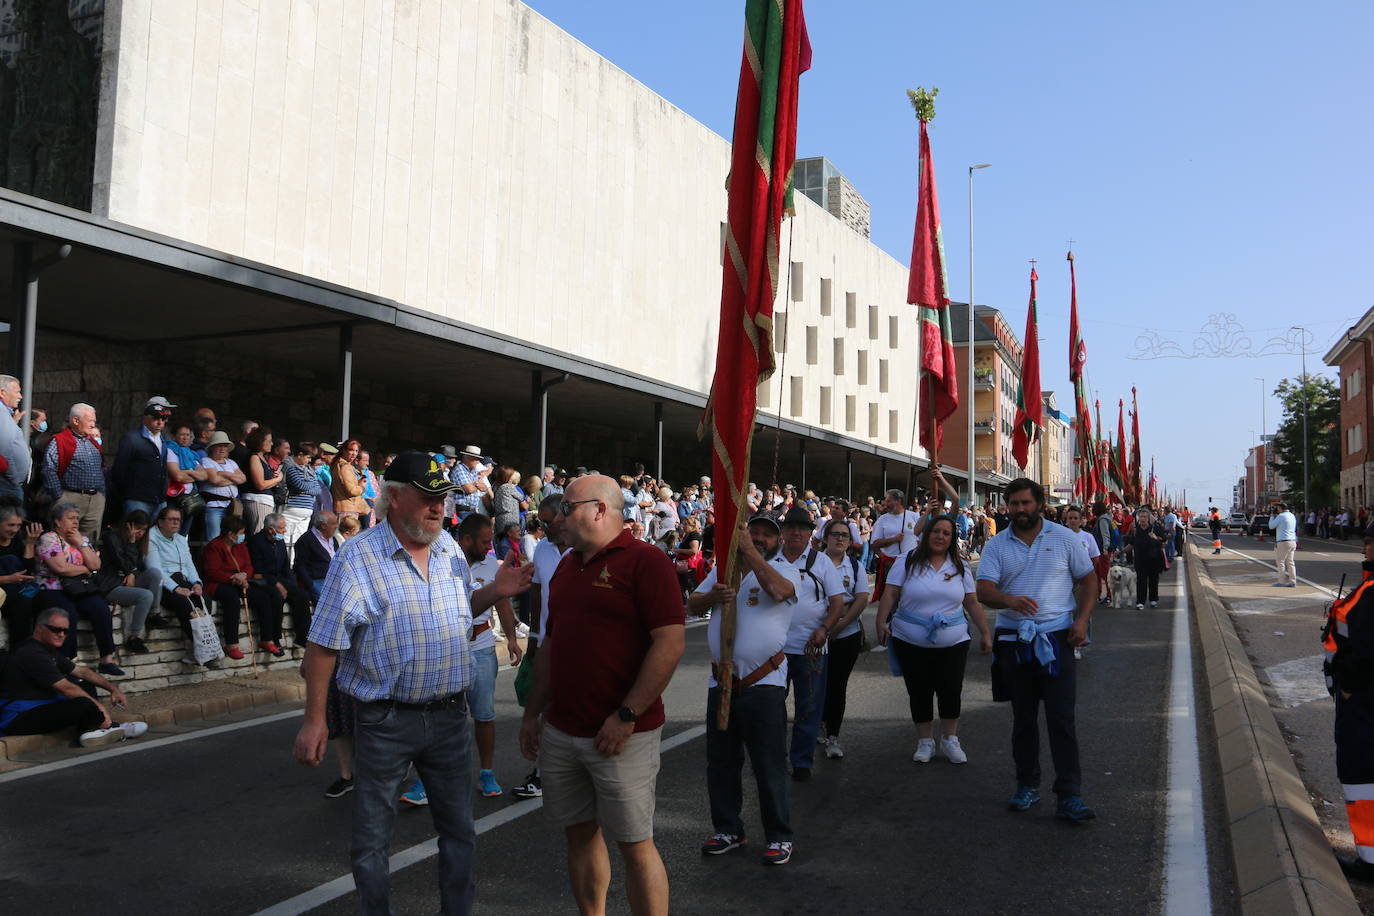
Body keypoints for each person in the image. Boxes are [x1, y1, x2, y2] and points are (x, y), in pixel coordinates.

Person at [293, 451, 532, 915]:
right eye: (427, 498)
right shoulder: (359, 557)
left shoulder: (447, 549)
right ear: (395, 498)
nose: (438, 507)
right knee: (372, 840)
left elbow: (460, 607)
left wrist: (496, 593)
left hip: (448, 717)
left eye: (441, 498)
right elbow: (323, 646)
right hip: (384, 720)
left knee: (460, 832)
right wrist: (314, 721)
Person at [518, 475, 684, 916]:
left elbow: (669, 643)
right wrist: (533, 713)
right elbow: (552, 644)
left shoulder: (646, 561)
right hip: (563, 729)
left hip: (622, 734)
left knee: (635, 844)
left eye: (567, 507)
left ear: (599, 510)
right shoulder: (567, 566)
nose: (556, 517)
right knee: (579, 833)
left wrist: (627, 714)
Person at [975, 478, 1097, 822]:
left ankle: (1069, 795)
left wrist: (1082, 621)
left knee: (1061, 719)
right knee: (1023, 719)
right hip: (1014, 641)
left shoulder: (1065, 539)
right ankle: (1027, 785)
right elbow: (983, 590)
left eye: (1025, 503)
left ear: (1040, 503)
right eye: (1013, 504)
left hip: (1056, 640)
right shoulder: (997, 545)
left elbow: (1088, 580)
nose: (1019, 510)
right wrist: (1009, 600)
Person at [687, 512, 799, 865]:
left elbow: (781, 592)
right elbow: (692, 603)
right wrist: (714, 595)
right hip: (721, 681)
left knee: (768, 764)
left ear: (777, 542)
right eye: (754, 533)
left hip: (763, 684)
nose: (761, 538)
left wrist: (750, 552)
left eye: (767, 535)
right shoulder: (725, 569)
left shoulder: (785, 570)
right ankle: (728, 829)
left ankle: (779, 835)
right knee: (721, 762)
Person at [877, 515, 991, 764]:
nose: (940, 536)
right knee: (919, 691)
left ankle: (950, 739)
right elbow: (891, 593)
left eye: (946, 533)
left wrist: (985, 632)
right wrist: (880, 621)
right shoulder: (906, 561)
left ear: (952, 538)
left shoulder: (959, 565)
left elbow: (971, 601)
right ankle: (925, 741)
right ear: (926, 534)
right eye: (936, 531)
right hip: (910, 640)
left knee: (951, 690)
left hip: (954, 640)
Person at [0, 608, 148, 747]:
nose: (62, 635)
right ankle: (104, 727)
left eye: (65, 631)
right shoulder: (31, 653)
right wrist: (100, 710)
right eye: (56, 629)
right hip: (18, 717)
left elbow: (82, 672)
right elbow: (66, 688)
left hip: (40, 706)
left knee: (86, 685)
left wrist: (113, 689)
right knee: (82, 703)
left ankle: (92, 731)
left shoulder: (48, 650)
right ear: (39, 628)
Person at [455, 513, 523, 798]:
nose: (488, 547)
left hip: (482, 647)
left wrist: (511, 639)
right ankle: (429, 779)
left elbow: (502, 603)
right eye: (484, 542)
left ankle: (486, 772)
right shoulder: (445, 561)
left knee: (483, 715)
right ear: (466, 540)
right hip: (452, 650)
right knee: (445, 719)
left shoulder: (492, 566)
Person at [775, 506, 846, 780]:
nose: (796, 532)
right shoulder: (771, 559)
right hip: (774, 648)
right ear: (783, 531)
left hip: (811, 648)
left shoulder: (821, 561)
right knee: (772, 708)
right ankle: (774, 758)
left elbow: (838, 602)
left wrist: (825, 629)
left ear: (810, 533)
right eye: (791, 527)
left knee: (809, 707)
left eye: (802, 528)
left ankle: (802, 761)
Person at [1322, 525, 1374, 883]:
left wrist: (1350, 686)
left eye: (1368, 542)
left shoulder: (1370, 594)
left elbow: (1366, 649)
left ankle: (1370, 861)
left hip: (1364, 703)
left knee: (1362, 777)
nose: (1363, 547)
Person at [511, 494, 570, 801]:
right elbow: (536, 596)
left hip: (577, 648)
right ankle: (542, 772)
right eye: (542, 523)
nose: (545, 529)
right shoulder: (544, 551)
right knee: (545, 708)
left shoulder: (585, 549)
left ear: (566, 515)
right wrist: (533, 638)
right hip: (547, 644)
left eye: (549, 521)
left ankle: (564, 770)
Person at [35, 501, 121, 675]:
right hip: (52, 588)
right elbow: (60, 568)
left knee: (100, 608)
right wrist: (86, 569)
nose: (75, 522)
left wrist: (80, 544)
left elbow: (96, 564)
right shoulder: (49, 538)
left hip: (78, 588)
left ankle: (107, 659)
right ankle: (67, 664)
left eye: (77, 518)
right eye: (70, 518)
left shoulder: (81, 539)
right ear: (58, 521)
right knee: (68, 614)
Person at [818, 517, 870, 760]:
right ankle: (814, 726)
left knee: (837, 686)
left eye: (844, 535)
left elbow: (861, 598)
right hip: (815, 633)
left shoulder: (855, 566)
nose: (839, 539)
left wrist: (841, 625)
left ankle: (833, 736)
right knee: (815, 685)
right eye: (835, 534)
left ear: (850, 541)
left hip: (846, 633)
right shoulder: (813, 563)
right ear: (825, 538)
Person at [203, 515, 280, 659]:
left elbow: (248, 566)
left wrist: (244, 575)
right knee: (231, 599)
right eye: (240, 533)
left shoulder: (240, 546)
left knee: (262, 597)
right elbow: (211, 572)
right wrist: (232, 578)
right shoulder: (214, 546)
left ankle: (267, 639)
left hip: (240, 581)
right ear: (230, 534)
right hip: (219, 584)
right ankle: (231, 644)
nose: (242, 536)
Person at [97, 510, 163, 656]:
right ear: (128, 525)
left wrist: (132, 573)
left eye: (144, 529)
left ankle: (153, 614)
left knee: (154, 573)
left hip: (127, 581)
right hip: (111, 585)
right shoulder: (112, 537)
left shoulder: (140, 543)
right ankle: (134, 637)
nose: (141, 533)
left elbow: (136, 566)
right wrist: (132, 546)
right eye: (138, 528)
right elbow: (122, 562)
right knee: (145, 595)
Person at [249, 513, 313, 652]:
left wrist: (292, 586)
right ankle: (275, 638)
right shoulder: (256, 541)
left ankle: (302, 638)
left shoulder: (279, 542)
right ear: (271, 529)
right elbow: (259, 569)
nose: (284, 531)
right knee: (276, 597)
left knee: (302, 596)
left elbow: (285, 567)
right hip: (264, 580)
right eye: (281, 528)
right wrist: (278, 585)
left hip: (279, 578)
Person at [41, 403, 105, 542]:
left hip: (94, 500)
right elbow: (48, 469)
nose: (93, 424)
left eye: (94, 421)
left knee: (89, 542)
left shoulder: (93, 443)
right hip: (69, 497)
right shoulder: (59, 441)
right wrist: (59, 496)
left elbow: (101, 469)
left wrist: (101, 496)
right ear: (76, 421)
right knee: (63, 539)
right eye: (90, 421)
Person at [146, 505, 204, 653]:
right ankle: (201, 648)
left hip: (183, 580)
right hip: (163, 585)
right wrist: (176, 588)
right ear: (160, 521)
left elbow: (189, 565)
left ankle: (205, 645)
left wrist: (196, 583)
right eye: (171, 519)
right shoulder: (151, 538)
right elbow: (155, 569)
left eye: (178, 520)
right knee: (183, 604)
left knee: (203, 599)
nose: (176, 523)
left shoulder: (180, 539)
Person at [112, 396, 174, 518]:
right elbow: (119, 471)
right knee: (134, 535)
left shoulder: (163, 440)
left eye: (164, 418)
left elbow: (163, 468)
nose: (160, 422)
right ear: (146, 417)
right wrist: (128, 494)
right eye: (156, 417)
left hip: (159, 500)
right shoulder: (131, 439)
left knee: (154, 537)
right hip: (137, 500)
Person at [869, 489, 921, 603]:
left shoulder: (914, 516)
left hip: (911, 563)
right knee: (892, 597)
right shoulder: (882, 520)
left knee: (911, 595)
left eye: (888, 501)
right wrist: (892, 540)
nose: (885, 504)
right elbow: (874, 543)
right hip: (891, 564)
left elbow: (921, 539)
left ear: (898, 501)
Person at [1061, 507, 1101, 659]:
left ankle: (1080, 643)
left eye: (1075, 518)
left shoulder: (1087, 537)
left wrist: (1086, 573)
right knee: (1065, 612)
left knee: (1082, 610)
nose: (1072, 521)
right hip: (1064, 579)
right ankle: (1066, 642)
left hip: (1081, 579)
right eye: (1070, 518)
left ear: (1081, 520)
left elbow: (1095, 558)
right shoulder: (1061, 536)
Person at [0, 506, 39, 644]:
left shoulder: (17, 542)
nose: (15, 530)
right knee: (21, 602)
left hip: (18, 590)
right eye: (11, 525)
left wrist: (30, 544)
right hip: (3, 593)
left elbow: (27, 572)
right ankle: (19, 650)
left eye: (18, 525)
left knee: (49, 599)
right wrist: (7, 579)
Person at [198, 431, 245, 543]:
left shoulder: (231, 462)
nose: (223, 449)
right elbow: (214, 480)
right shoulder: (206, 461)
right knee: (214, 540)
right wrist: (233, 479)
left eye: (225, 446)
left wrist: (224, 474)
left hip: (232, 507)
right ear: (212, 448)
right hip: (214, 506)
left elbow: (243, 479)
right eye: (219, 446)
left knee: (235, 539)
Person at [282, 442, 323, 559]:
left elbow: (318, 490)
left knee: (298, 541)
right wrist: (308, 487)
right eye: (308, 457)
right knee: (286, 539)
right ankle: (285, 565)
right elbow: (299, 485)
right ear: (300, 454)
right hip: (292, 508)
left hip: (306, 510)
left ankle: (293, 566)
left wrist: (305, 489)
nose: (309, 460)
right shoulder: (290, 468)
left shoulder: (309, 470)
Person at [240, 426, 282, 535]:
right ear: (260, 442)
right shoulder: (254, 457)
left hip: (263, 501)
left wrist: (272, 476)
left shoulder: (262, 457)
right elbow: (260, 484)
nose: (272, 444)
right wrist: (278, 479)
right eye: (269, 441)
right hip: (257, 500)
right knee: (259, 533)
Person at [1124, 508, 1167, 609]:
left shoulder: (1155, 529)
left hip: (1154, 560)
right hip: (1140, 560)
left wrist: (1155, 538)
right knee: (1141, 581)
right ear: (1138, 518)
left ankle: (1153, 600)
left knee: (1153, 580)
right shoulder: (1135, 531)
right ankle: (1140, 602)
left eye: (1144, 517)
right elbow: (1130, 544)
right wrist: (1119, 552)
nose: (1142, 519)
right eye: (1141, 517)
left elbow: (1165, 542)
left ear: (1148, 518)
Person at [294, 510, 341, 601]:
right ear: (323, 526)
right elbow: (300, 566)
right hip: (317, 581)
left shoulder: (333, 540)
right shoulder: (306, 540)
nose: (337, 526)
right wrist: (311, 585)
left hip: (334, 581)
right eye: (333, 523)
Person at [1269, 501, 1298, 587]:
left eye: (1277, 508)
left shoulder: (1281, 516)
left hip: (1283, 542)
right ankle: (1293, 581)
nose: (1276, 510)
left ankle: (1281, 581)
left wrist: (1272, 517)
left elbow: (1271, 526)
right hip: (1292, 541)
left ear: (1281, 508)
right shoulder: (1292, 515)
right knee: (1290, 562)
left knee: (1280, 562)